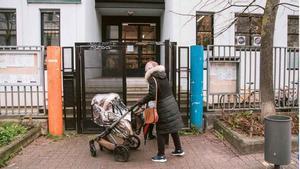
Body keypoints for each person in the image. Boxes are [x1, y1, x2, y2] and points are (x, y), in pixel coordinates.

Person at [137, 61, 184, 163]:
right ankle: (179, 149)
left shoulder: (152, 78)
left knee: (161, 131)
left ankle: (161, 155)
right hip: (171, 103)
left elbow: (152, 94)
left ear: (150, 69)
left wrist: (141, 101)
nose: (145, 71)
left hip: (163, 106)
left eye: (146, 69)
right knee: (173, 128)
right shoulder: (163, 75)